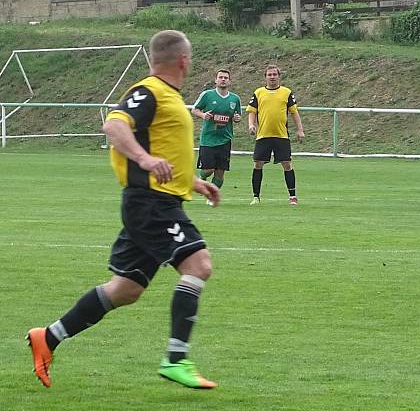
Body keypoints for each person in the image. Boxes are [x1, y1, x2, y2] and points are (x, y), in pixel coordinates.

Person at [27, 30, 220, 389]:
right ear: (183, 60)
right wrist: (144, 159)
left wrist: (193, 182)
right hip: (151, 204)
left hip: (157, 201)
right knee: (199, 265)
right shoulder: (148, 91)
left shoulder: (171, 97)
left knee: (125, 289)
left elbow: (164, 148)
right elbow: (114, 125)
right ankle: (176, 358)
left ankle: (48, 337)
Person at [247, 64, 305, 206]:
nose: (272, 77)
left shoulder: (286, 92)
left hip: (281, 136)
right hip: (263, 136)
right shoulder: (259, 92)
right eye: (269, 74)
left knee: (286, 164)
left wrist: (300, 130)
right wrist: (251, 125)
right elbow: (252, 111)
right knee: (258, 164)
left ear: (279, 77)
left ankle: (292, 196)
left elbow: (294, 112)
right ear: (265, 77)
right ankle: (256, 197)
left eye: (274, 74)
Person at [192, 69, 242, 204]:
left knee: (220, 171)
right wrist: (203, 115)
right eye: (220, 77)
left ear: (230, 81)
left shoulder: (235, 99)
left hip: (225, 139)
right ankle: (202, 177)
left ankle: (211, 197)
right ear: (216, 80)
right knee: (208, 170)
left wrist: (237, 118)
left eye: (226, 77)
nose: (223, 79)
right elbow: (194, 109)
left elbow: (237, 116)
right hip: (208, 139)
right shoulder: (207, 95)